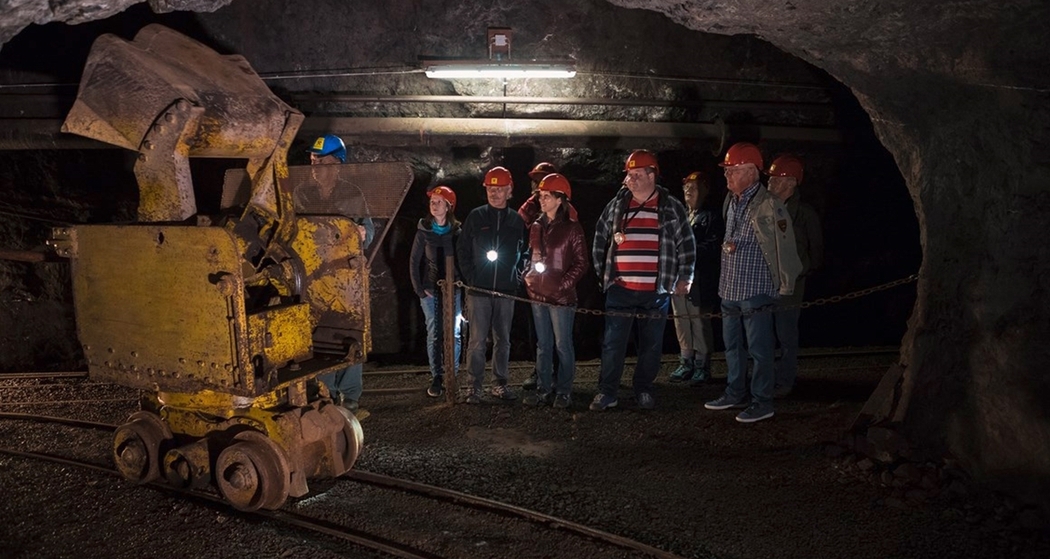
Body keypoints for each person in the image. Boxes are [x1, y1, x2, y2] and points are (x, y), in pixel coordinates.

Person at [589, 150, 695, 411]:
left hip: (655, 290)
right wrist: (605, 275)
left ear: (652, 175)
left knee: (651, 346)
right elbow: (599, 238)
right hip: (621, 288)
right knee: (613, 344)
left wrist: (685, 277)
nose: (631, 180)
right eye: (629, 175)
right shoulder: (617, 205)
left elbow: (687, 244)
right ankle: (608, 392)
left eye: (637, 175)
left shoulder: (670, 206)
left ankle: (644, 389)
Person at [704, 142, 802, 423]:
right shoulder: (732, 201)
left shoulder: (769, 205)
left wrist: (785, 284)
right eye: (727, 172)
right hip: (730, 288)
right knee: (733, 345)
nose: (727, 176)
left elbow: (785, 247)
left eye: (732, 171)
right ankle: (735, 392)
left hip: (755, 289)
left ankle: (762, 401)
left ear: (750, 172)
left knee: (760, 350)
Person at [305, 134, 374, 415]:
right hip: (315, 276)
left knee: (348, 330)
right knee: (320, 333)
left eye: (322, 160)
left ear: (338, 164)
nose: (315, 165)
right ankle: (325, 393)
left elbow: (368, 231)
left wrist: (362, 233)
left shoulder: (353, 195)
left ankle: (350, 394)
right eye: (312, 160)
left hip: (346, 277)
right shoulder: (302, 194)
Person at [457, 166, 527, 404]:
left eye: (499, 189)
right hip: (479, 291)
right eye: (490, 189)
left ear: (509, 191)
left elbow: (525, 252)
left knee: (503, 340)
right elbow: (463, 250)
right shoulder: (476, 217)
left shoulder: (517, 221)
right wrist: (472, 278)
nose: (494, 193)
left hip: (506, 291)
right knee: (476, 341)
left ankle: (500, 384)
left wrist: (516, 275)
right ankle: (473, 387)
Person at [521, 173, 588, 409]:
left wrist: (562, 286)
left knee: (562, 345)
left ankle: (564, 391)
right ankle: (544, 390)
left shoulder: (572, 228)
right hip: (537, 295)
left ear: (560, 199)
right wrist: (527, 275)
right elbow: (530, 255)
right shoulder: (536, 226)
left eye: (547, 196)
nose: (542, 199)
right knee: (543, 345)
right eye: (541, 195)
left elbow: (581, 263)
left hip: (561, 298)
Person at [765, 155, 824, 398]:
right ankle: (766, 380)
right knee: (764, 335)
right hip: (765, 282)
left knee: (786, 335)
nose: (769, 184)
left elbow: (816, 251)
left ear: (790, 183)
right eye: (769, 179)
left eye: (775, 180)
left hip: (791, 286)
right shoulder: (764, 209)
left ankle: (785, 381)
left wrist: (801, 271)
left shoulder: (805, 214)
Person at [668, 171, 724, 385]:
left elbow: (713, 245)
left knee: (700, 322)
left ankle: (702, 365)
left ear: (706, 190)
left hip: (701, 279)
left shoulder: (712, 217)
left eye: (695, 187)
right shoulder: (680, 215)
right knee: (681, 320)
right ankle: (686, 362)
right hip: (678, 277)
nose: (689, 191)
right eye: (687, 188)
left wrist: (686, 252)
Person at [409, 185, 463, 398]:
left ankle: (453, 374)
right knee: (434, 332)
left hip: (453, 288)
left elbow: (464, 259)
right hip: (431, 289)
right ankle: (437, 376)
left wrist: (462, 287)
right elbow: (414, 261)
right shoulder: (424, 230)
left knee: (454, 332)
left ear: (449, 206)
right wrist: (420, 290)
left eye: (439, 201)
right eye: (432, 201)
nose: (434, 204)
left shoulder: (457, 231)